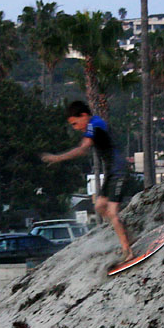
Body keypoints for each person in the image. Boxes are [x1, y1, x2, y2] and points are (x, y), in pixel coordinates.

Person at [41, 101, 133, 261]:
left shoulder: (94, 123)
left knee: (111, 211)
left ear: (84, 116)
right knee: (99, 206)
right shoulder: (92, 125)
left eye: (75, 123)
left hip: (120, 170)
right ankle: (125, 235)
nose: (75, 128)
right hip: (112, 171)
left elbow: (83, 149)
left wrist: (58, 158)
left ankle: (127, 250)